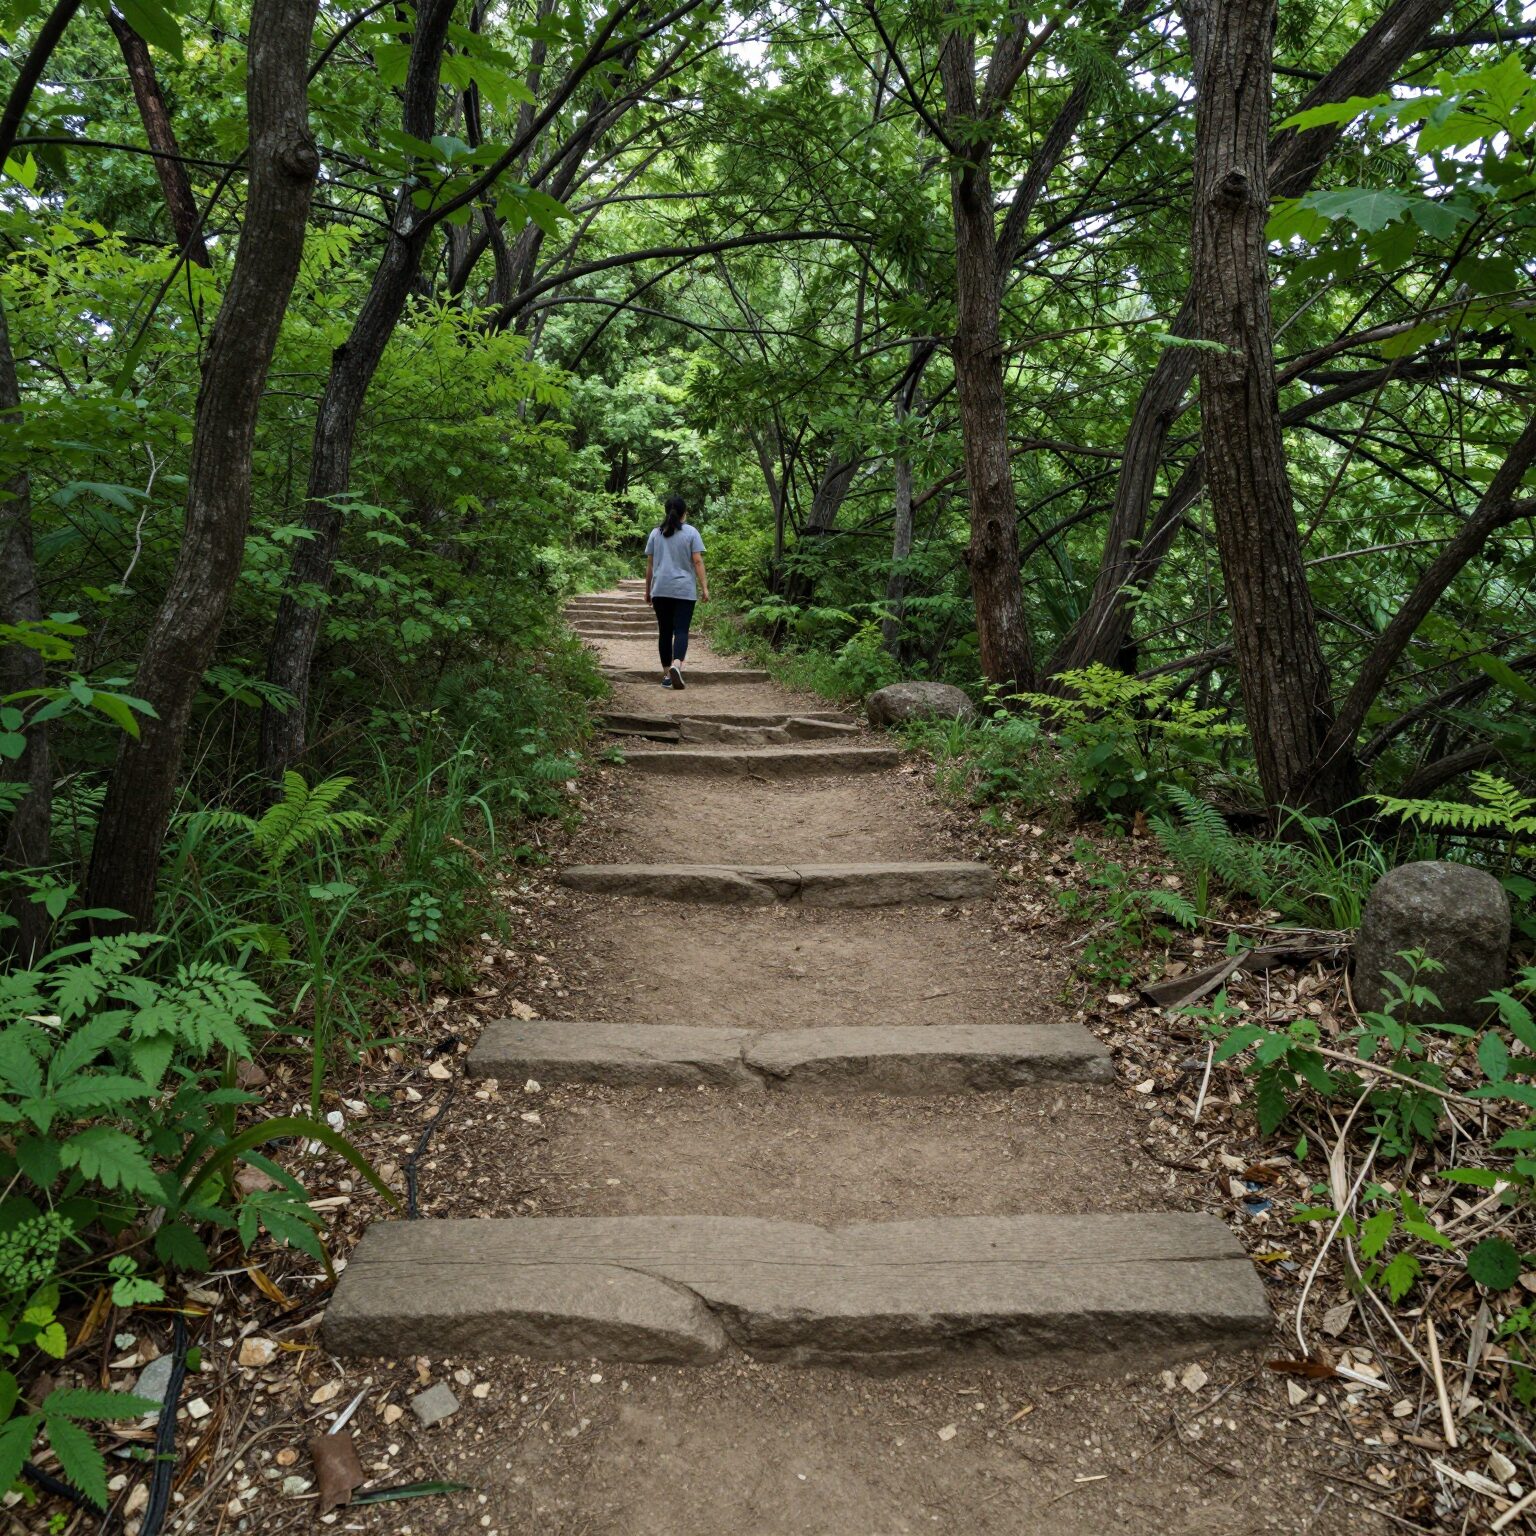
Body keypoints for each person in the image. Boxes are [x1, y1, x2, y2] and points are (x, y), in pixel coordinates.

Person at [643, 493, 708, 689]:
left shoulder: (656, 533)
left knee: (664, 632)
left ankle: (666, 675)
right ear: (683, 513)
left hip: (660, 589)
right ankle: (677, 665)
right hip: (684, 590)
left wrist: (647, 591)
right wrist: (704, 587)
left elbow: (650, 565)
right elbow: (697, 561)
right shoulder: (691, 533)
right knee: (681, 630)